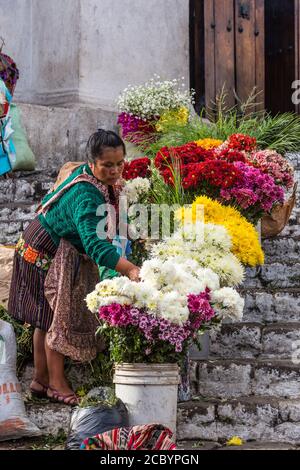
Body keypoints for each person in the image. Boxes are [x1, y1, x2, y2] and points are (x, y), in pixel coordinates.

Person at [8, 129, 140, 405]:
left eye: (119, 163)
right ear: (92, 163)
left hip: (43, 244)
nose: (115, 170)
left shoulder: (94, 179)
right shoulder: (86, 194)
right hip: (42, 251)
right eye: (107, 165)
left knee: (44, 319)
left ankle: (40, 380)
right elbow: (94, 244)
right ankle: (56, 383)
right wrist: (128, 268)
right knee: (55, 318)